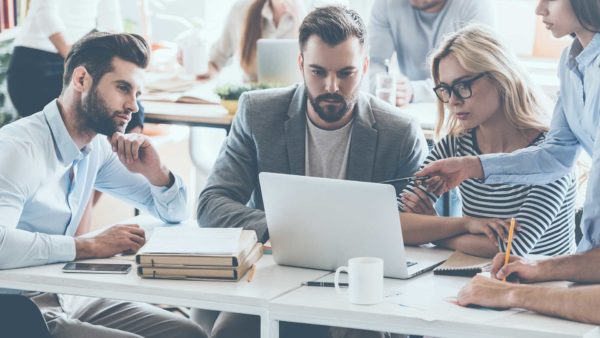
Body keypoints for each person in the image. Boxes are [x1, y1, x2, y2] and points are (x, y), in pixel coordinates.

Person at [196, 6, 427, 338]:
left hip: (364, 285)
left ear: (364, 67)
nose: (331, 86)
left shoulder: (400, 132)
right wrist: (287, 230)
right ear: (301, 64)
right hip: (278, 276)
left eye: (346, 73)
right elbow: (211, 204)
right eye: (318, 72)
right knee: (231, 331)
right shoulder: (258, 113)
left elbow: (413, 226)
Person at [0, 32, 205, 338]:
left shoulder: (95, 148)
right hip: (18, 312)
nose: (133, 106)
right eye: (123, 88)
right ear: (81, 79)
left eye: (137, 93)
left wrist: (157, 172)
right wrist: (87, 246)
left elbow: (175, 214)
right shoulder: (18, 149)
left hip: (66, 295)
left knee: (188, 334)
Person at [418, 0, 600, 322]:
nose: (539, 10)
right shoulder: (572, 62)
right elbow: (557, 155)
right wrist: (474, 166)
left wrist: (511, 294)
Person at [398, 24, 577, 258]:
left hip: (549, 286)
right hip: (480, 278)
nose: (452, 100)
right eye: (445, 89)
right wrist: (466, 224)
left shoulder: (551, 153)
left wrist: (433, 228)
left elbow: (511, 247)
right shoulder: (455, 146)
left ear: (499, 78)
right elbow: (398, 225)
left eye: (463, 86)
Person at [7, 0, 144, 132]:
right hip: (35, 64)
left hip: (76, 58)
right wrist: (76, 57)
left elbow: (111, 19)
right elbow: (44, 12)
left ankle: (128, 152)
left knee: (134, 115)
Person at [368, 0, 495, 106]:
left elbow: (477, 76)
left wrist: (415, 91)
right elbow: (373, 63)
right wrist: (388, 88)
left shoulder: (475, 4)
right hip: (412, 108)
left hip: (462, 105)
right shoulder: (385, 4)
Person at [200, 0, 305, 81]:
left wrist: (298, 18)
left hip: (294, 101)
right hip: (251, 100)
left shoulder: (308, 14)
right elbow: (216, 62)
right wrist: (195, 66)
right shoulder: (241, 10)